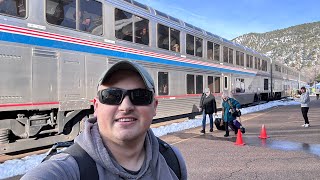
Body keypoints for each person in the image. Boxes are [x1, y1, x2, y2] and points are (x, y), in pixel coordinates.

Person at [21, 60, 187, 179]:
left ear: (154, 106)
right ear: (96, 107)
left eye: (140, 96)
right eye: (112, 96)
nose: (125, 106)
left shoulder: (173, 161)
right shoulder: (69, 169)